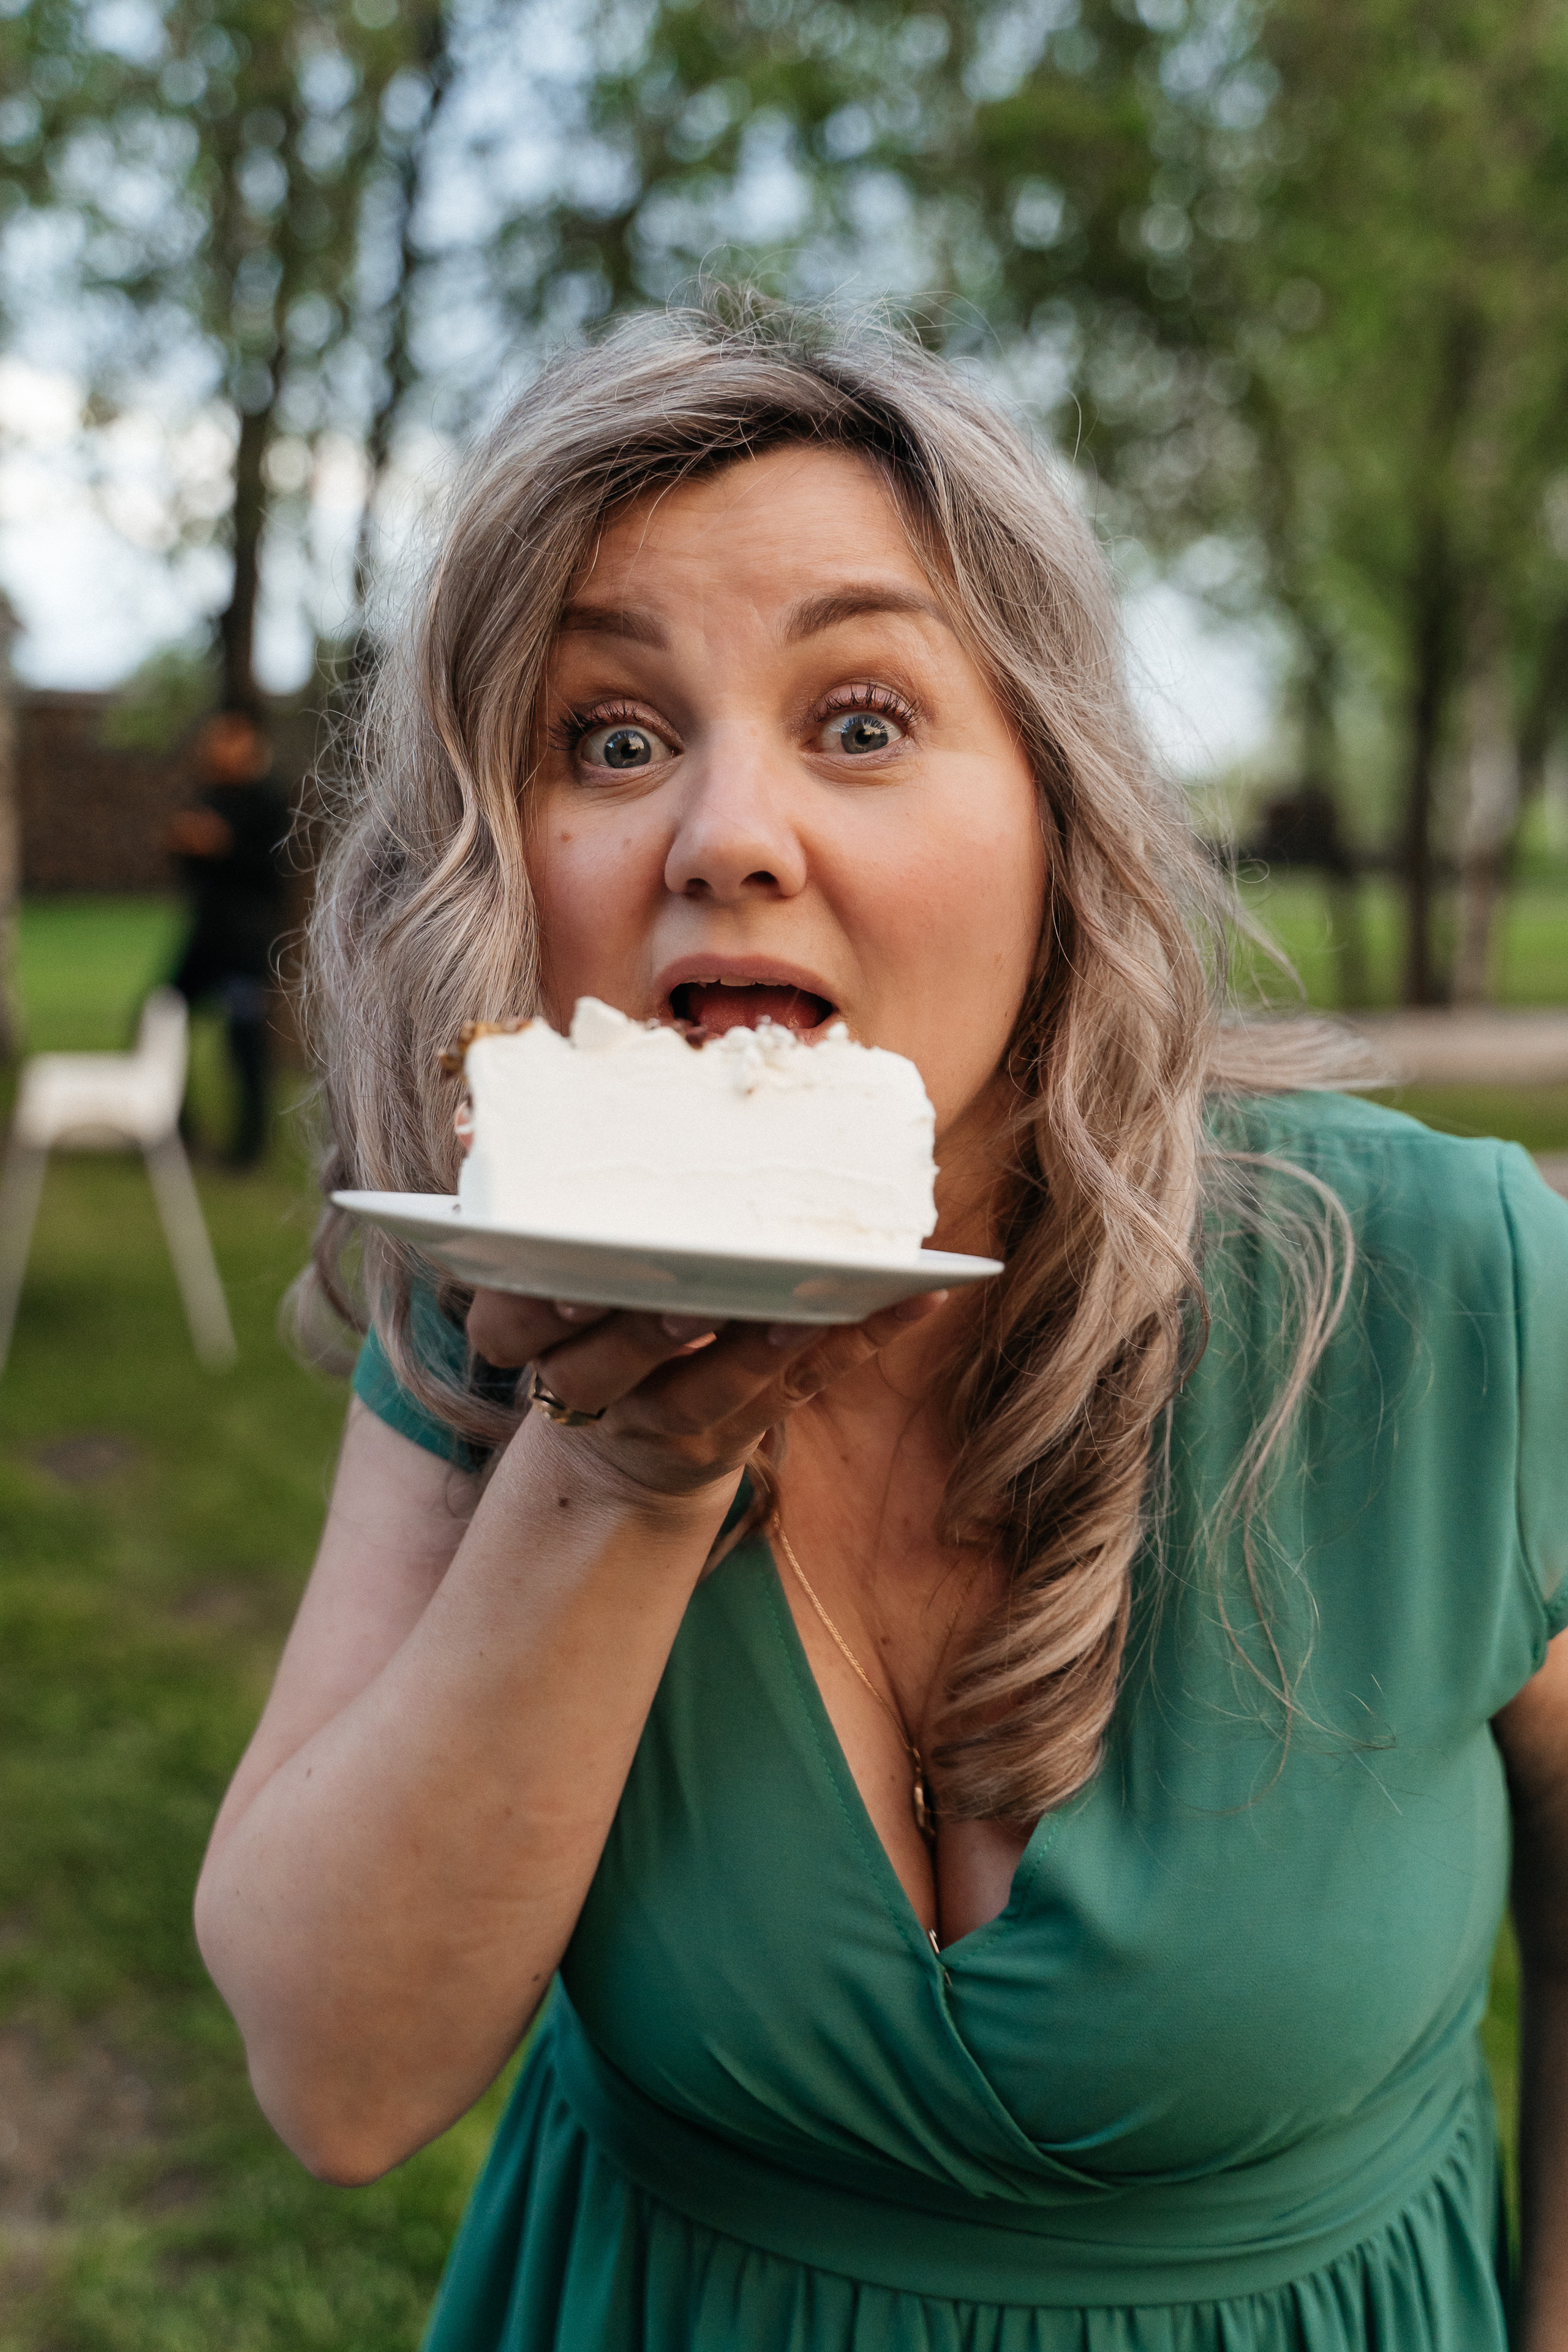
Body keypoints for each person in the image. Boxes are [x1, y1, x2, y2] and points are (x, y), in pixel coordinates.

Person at [193, 301, 1568, 2351]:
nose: (728, 838)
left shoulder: (1451, 1283)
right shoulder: (493, 1317)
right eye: (612, 739)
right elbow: (340, 2078)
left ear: (1057, 815)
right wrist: (621, 1465)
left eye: (858, 722)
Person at [166, 706, 291, 1166]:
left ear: (250, 744)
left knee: (244, 1041)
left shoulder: (269, 802)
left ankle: (248, 1148)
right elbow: (192, 871)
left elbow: (274, 872)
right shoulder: (209, 796)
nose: (216, 747)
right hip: (207, 939)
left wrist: (224, 846)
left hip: (246, 942)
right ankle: (176, 1125)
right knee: (163, 1017)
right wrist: (187, 845)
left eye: (228, 739)